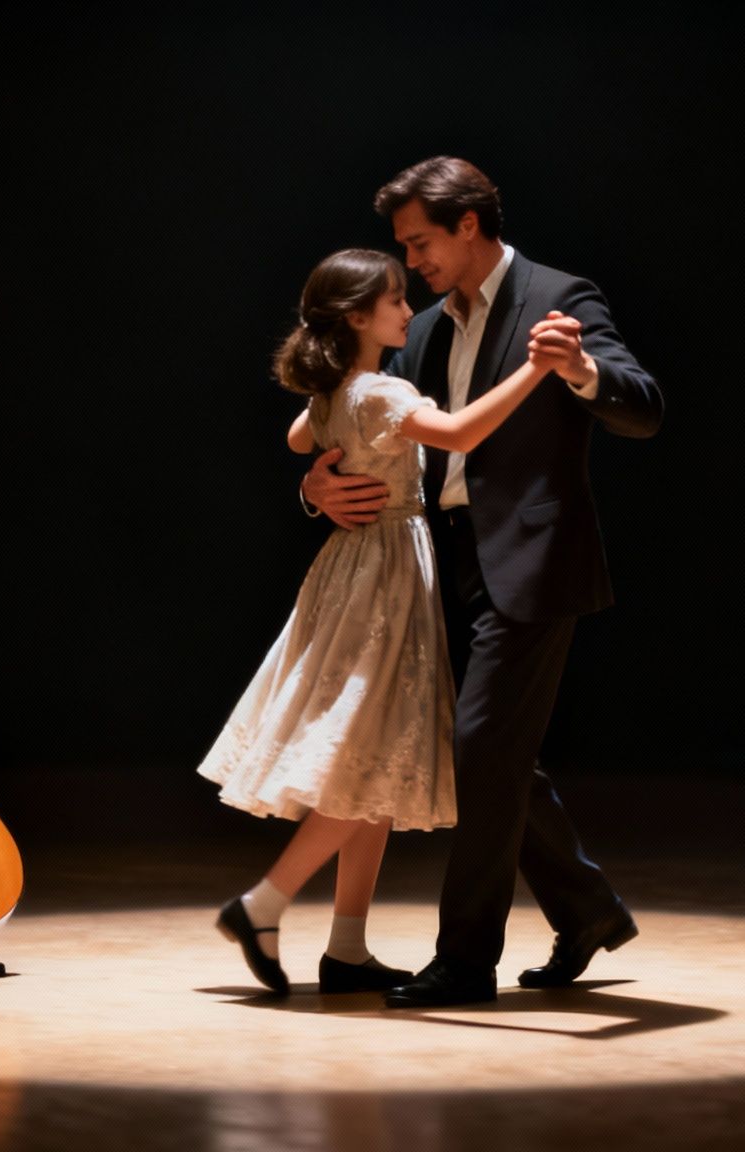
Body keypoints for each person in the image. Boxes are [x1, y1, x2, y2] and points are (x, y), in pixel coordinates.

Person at [301, 157, 665, 1008]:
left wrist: (578, 371)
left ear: (469, 225)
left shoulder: (559, 297)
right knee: (485, 756)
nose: (412, 261)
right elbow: (353, 423)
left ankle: (465, 960)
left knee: (482, 751)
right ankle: (589, 910)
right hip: (435, 563)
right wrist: (315, 486)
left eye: (420, 242)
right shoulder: (422, 330)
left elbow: (642, 405)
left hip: (533, 563)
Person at [199, 247, 563, 995]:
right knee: (364, 751)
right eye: (394, 301)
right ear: (360, 317)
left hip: (350, 568)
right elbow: (460, 434)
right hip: (388, 571)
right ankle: (263, 902)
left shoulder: (339, 391)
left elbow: (301, 438)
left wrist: (327, 468)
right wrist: (537, 369)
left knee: (377, 761)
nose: (408, 311)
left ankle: (348, 949)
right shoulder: (383, 391)